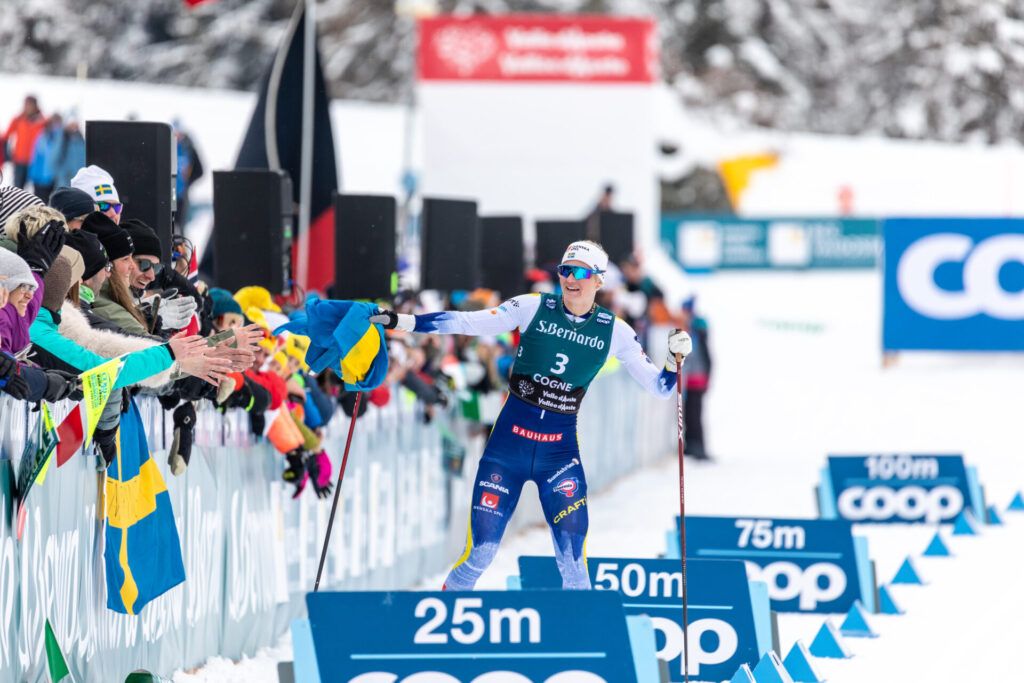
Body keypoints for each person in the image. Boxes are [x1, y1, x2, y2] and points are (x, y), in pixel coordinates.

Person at [371, 240, 693, 590]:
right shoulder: (531, 307)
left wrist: (671, 361)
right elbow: (466, 322)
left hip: (559, 458)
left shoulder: (614, 331)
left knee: (573, 564)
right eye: (565, 271)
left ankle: (581, 640)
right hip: (506, 453)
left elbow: (661, 388)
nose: (571, 279)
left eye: (581, 272)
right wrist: (402, 321)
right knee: (480, 553)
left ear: (599, 281)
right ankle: (444, 626)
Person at [681, 297, 712, 461]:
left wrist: (708, 377)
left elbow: (706, 357)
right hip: (691, 379)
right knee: (688, 413)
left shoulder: (697, 330)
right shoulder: (689, 328)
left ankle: (698, 446)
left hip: (697, 379)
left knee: (695, 414)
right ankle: (690, 445)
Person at [3, 96, 46, 189]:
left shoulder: (43, 121)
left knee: (37, 189)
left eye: (30, 105)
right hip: (19, 160)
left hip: (35, 161)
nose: (27, 107)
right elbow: (6, 136)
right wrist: (7, 154)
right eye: (26, 105)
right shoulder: (18, 120)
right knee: (18, 188)